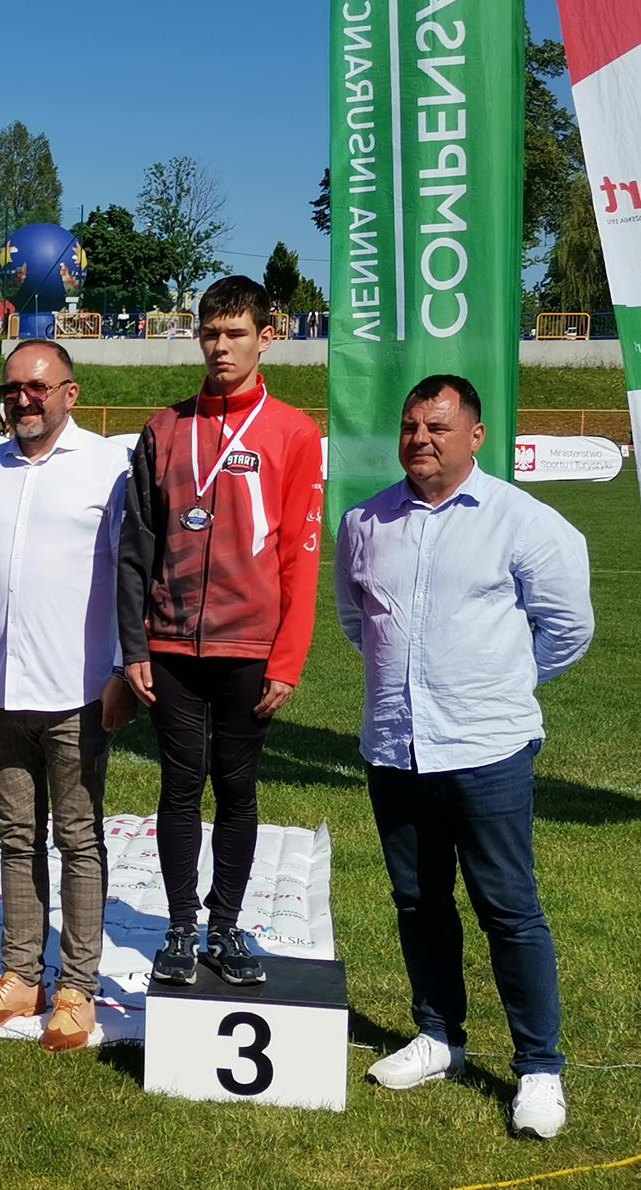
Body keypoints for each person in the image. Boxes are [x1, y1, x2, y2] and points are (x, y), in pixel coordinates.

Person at [335, 375, 593, 1140]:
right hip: (395, 746)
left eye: (437, 427)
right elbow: (356, 620)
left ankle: (538, 1067)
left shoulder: (523, 521)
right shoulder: (364, 521)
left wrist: (501, 683)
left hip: (487, 749)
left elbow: (568, 628)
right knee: (417, 902)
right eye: (410, 426)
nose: (420, 439)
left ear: (474, 436)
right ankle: (436, 1035)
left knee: (508, 909)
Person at [0, 340, 135, 1052]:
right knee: (15, 836)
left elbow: (130, 575)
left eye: (37, 387)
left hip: (79, 691)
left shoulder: (108, 466)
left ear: (70, 393)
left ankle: (77, 986)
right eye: (11, 388)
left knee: (78, 838)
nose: (22, 399)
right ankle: (20, 975)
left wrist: (120, 668)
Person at [118, 274, 323, 988]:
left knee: (237, 789)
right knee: (179, 785)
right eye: (209, 333)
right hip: (170, 644)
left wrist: (286, 661)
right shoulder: (165, 428)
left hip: (250, 647)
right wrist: (134, 646)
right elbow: (135, 546)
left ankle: (225, 926)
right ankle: (180, 928)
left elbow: (301, 554)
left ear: (267, 337)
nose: (220, 347)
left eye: (235, 333)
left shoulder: (294, 433)